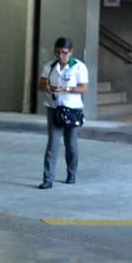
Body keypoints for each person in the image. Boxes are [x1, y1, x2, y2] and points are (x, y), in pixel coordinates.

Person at [38, 36, 89, 189]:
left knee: (71, 144)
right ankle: (48, 179)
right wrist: (46, 87)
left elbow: (84, 88)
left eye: (64, 53)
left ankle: (71, 174)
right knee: (53, 144)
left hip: (72, 110)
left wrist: (66, 89)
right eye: (58, 52)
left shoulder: (79, 67)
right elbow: (41, 83)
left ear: (71, 52)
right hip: (54, 108)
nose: (61, 56)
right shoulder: (49, 66)